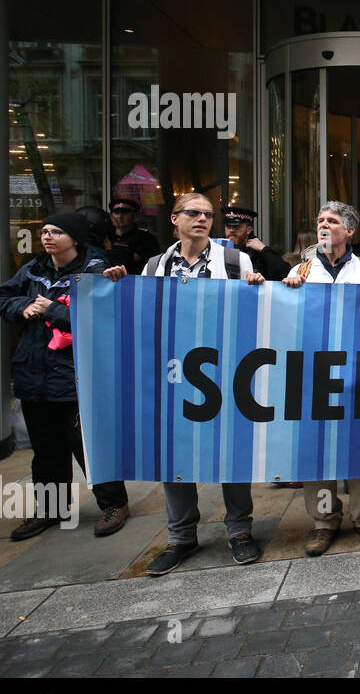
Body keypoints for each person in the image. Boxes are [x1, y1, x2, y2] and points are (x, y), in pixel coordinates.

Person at [102, 193, 266, 573]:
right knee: (174, 454)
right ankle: (181, 536)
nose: (203, 220)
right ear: (174, 219)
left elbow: (253, 311)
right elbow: (144, 316)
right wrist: (117, 287)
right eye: (194, 213)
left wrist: (256, 286)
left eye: (208, 215)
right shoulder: (156, 265)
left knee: (229, 451)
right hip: (175, 373)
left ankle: (240, 531)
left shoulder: (234, 259)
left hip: (224, 371)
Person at [0, 212, 131, 539]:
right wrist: (23, 307)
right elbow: (1, 297)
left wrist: (50, 310)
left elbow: (103, 316)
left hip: (75, 375)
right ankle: (52, 509)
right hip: (34, 374)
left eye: (56, 232)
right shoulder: (33, 269)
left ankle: (114, 504)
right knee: (46, 449)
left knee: (87, 445)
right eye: (44, 231)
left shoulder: (95, 270)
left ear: (76, 237)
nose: (48, 237)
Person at [283, 200, 360, 554]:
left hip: (359, 371)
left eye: (332, 221)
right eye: (320, 221)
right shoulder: (301, 270)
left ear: (349, 231)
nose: (324, 226)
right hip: (315, 373)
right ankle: (324, 520)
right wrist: (285, 293)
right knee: (319, 450)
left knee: (358, 445)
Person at [222, 206, 291, 281]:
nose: (231, 230)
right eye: (228, 226)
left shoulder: (257, 253)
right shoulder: (218, 248)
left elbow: (285, 274)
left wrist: (264, 250)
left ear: (248, 230)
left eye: (236, 227)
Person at [106, 198, 160, 275]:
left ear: (134, 215)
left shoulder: (146, 238)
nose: (120, 217)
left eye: (125, 213)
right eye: (116, 213)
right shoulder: (106, 236)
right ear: (111, 215)